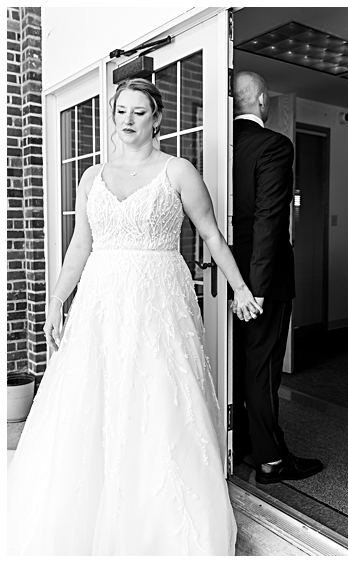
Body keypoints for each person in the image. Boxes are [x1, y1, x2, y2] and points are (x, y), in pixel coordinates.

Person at [7, 79, 252, 555]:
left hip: (158, 301)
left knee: (156, 397)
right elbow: (81, 244)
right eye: (122, 110)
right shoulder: (92, 177)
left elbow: (212, 236)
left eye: (140, 111)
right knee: (94, 398)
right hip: (100, 300)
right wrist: (57, 299)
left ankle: (154, 520)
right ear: (112, 116)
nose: (129, 119)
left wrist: (240, 288)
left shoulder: (178, 171)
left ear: (157, 118)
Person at [229, 71, 322, 484]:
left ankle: (244, 441)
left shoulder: (219, 148)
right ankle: (270, 460)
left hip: (224, 276)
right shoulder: (273, 145)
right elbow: (270, 219)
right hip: (260, 281)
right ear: (263, 100)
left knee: (236, 363)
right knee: (263, 368)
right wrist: (257, 289)